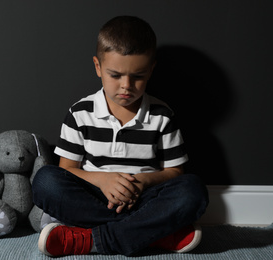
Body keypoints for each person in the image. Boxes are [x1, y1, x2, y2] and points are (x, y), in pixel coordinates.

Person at [32, 16, 209, 257]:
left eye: (138, 76)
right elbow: (67, 169)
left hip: (144, 198)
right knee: (45, 181)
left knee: (193, 190)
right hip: (96, 196)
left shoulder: (162, 115)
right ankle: (152, 235)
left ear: (151, 70)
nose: (126, 86)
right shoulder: (80, 113)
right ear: (98, 67)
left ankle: (92, 240)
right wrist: (103, 181)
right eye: (115, 75)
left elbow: (175, 172)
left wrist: (142, 182)